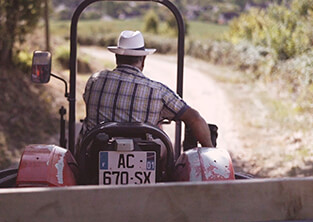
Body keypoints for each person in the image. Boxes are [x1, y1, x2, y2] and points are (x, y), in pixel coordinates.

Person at [79, 30, 213, 148]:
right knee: (166, 146)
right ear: (143, 60)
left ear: (117, 57)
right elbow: (194, 118)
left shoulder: (95, 80)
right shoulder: (158, 91)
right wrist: (211, 150)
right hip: (145, 159)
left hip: (92, 156)